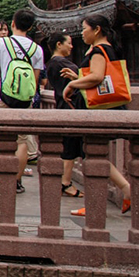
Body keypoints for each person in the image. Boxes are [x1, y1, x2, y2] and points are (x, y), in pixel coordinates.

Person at [61, 14, 134, 216]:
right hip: (105, 106)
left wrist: (72, 84)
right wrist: (77, 77)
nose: (82, 33)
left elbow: (97, 77)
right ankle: (123, 190)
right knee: (93, 154)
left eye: (85, 28)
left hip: (97, 109)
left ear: (97, 29)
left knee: (92, 155)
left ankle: (98, 203)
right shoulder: (109, 48)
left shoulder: (99, 50)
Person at [0, 9, 45, 194]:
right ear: (31, 27)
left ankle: (2, 174)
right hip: (24, 100)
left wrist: (4, 83)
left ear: (12, 23)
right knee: (22, 141)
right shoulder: (37, 49)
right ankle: (16, 180)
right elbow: (35, 79)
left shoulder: (1, 43)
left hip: (1, 96)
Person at [45, 32, 86, 200]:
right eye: (68, 43)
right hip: (70, 106)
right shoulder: (59, 63)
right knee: (70, 147)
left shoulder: (53, 63)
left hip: (65, 106)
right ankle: (65, 183)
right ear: (58, 45)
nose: (71, 46)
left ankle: (65, 182)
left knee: (71, 147)